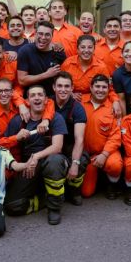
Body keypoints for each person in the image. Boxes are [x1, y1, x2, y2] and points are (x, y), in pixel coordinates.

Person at [4, 85, 68, 225]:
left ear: (46, 100)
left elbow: (57, 147)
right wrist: (18, 165)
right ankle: (43, 199)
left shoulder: (56, 118)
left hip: (49, 162)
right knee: (11, 206)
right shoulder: (18, 121)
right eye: (33, 95)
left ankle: (54, 207)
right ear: (27, 101)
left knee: (54, 162)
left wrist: (36, 157)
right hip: (28, 167)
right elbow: (3, 147)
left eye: (40, 95)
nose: (37, 98)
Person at [80, 75, 122, 199]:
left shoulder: (114, 108)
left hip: (106, 152)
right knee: (86, 193)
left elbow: (116, 135)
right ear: (91, 88)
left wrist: (104, 154)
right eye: (97, 86)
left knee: (115, 165)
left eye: (104, 87)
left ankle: (111, 184)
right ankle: (96, 178)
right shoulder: (79, 102)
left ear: (109, 89)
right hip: (86, 154)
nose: (100, 90)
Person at [60, 35, 122, 116]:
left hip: (93, 104)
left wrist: (115, 101)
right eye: (83, 47)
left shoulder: (101, 67)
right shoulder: (68, 64)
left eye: (90, 47)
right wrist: (69, 93)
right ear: (77, 49)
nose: (86, 50)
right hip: (69, 102)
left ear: (94, 49)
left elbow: (109, 88)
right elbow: (59, 84)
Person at [51, 72, 88, 206]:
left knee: (82, 160)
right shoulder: (47, 103)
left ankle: (74, 190)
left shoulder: (77, 108)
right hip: (51, 145)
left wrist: (75, 163)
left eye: (67, 86)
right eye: (59, 86)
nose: (63, 89)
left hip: (70, 146)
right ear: (54, 87)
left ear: (72, 88)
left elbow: (79, 139)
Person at [16, 21, 67, 95]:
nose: (43, 37)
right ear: (35, 34)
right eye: (40, 33)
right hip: (31, 98)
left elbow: (64, 78)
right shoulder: (25, 51)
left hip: (52, 98)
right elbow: (22, 81)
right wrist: (46, 74)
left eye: (47, 35)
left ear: (52, 36)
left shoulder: (59, 53)